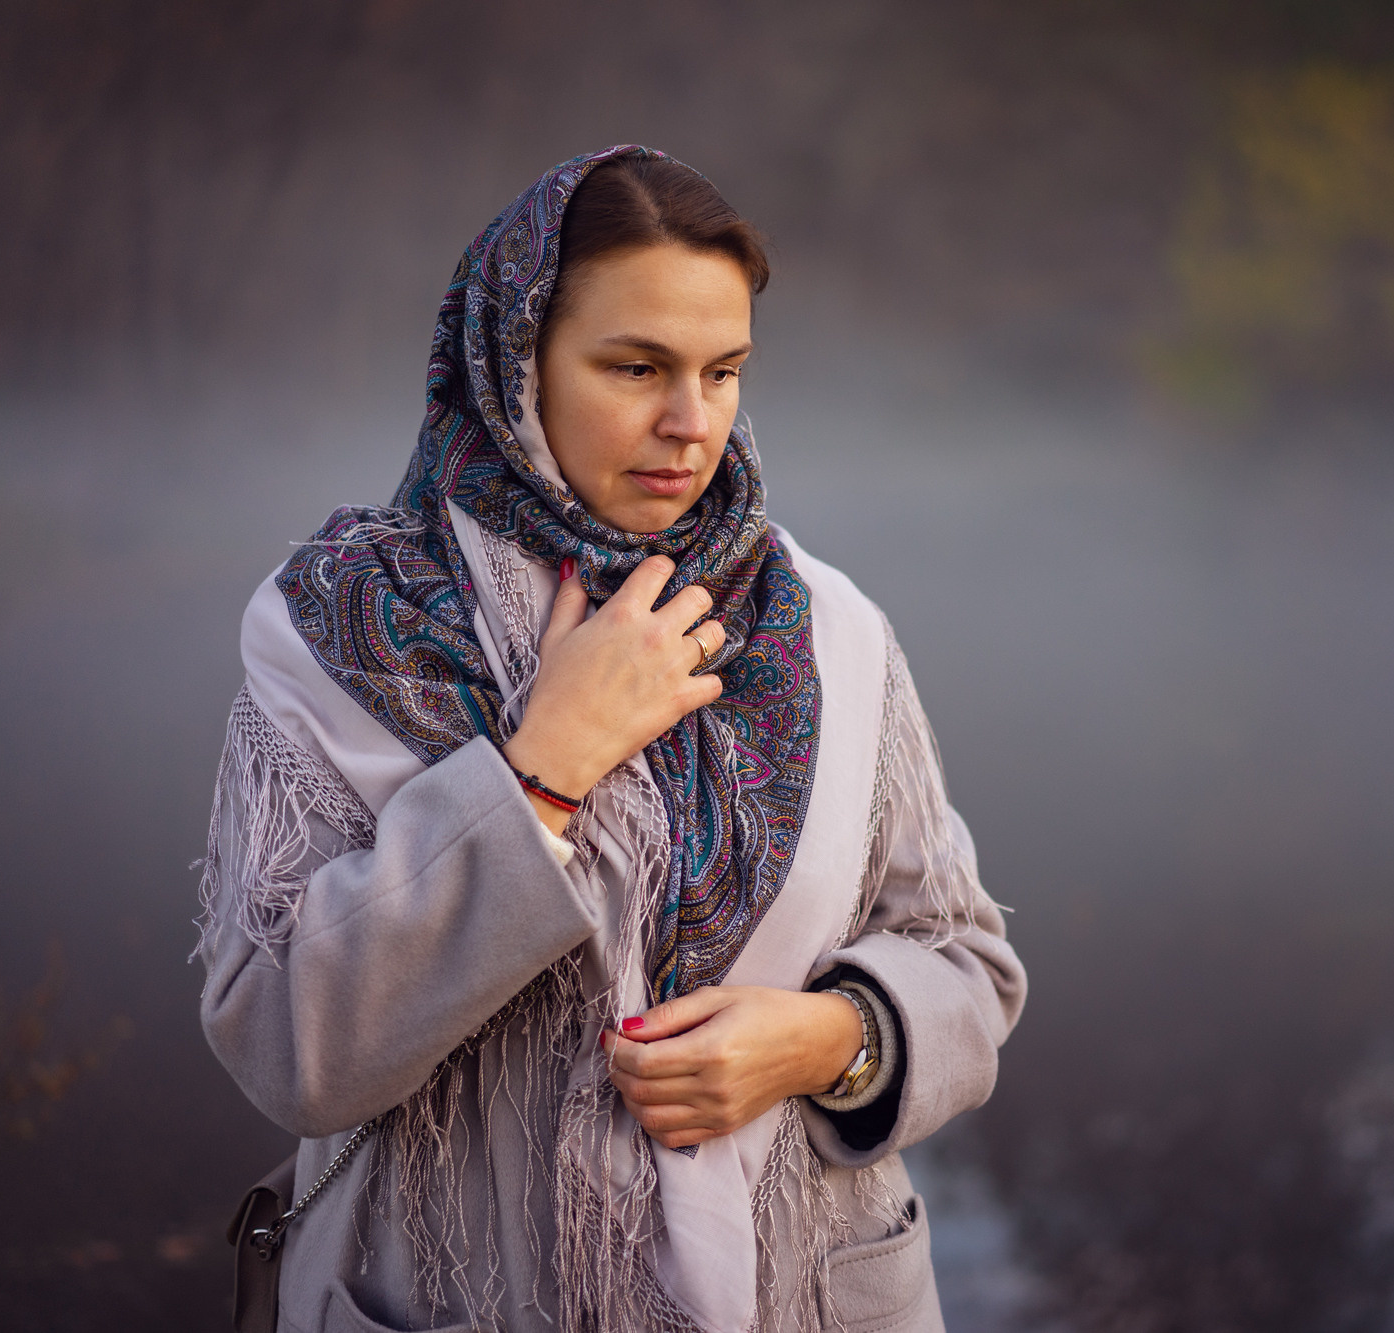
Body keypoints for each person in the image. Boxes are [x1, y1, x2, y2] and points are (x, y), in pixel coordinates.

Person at [195, 146, 1025, 1333]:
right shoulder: (338, 629)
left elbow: (963, 959)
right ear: (513, 359)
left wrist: (829, 1040)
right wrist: (538, 775)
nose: (690, 424)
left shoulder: (827, 626)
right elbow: (288, 1045)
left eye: (723, 370)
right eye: (636, 367)